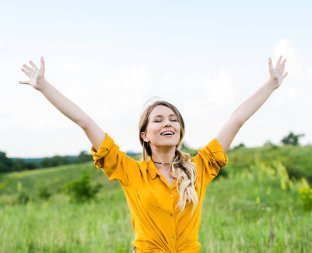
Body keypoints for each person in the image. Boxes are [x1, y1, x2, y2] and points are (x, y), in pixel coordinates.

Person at [20, 56, 287, 253]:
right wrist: (44, 86)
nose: (168, 123)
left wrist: (271, 85)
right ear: (145, 135)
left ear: (180, 130)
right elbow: (86, 122)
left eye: (173, 119)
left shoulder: (199, 168)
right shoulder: (130, 171)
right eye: (158, 120)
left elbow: (237, 120)